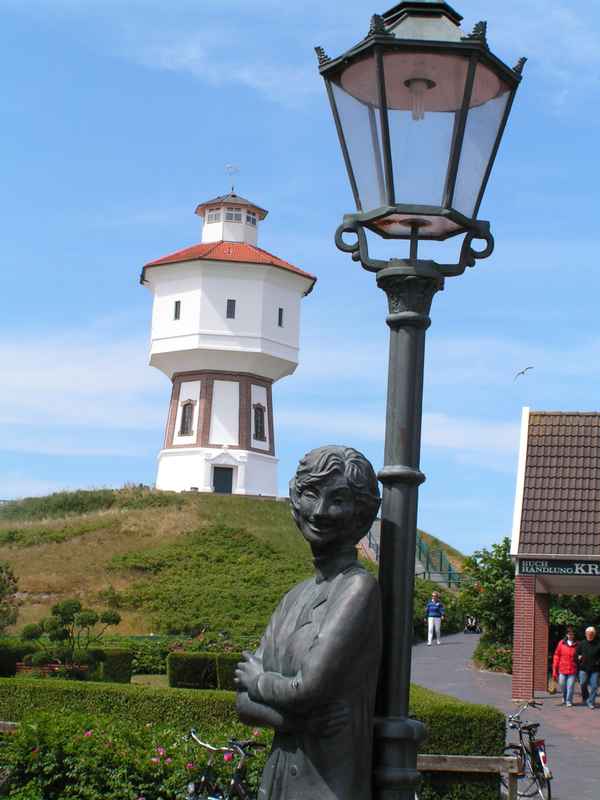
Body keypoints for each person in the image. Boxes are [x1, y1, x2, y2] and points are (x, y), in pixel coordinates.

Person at [234, 445, 382, 800]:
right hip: (279, 782)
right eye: (311, 494)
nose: (319, 511)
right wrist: (299, 722)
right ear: (294, 501)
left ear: (361, 514)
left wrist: (260, 680)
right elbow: (243, 703)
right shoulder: (294, 597)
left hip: (328, 787)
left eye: (338, 500)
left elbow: (307, 689)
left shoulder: (357, 588)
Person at [552, 625, 578, 707]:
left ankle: (568, 701)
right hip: (562, 669)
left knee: (570, 686)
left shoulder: (577, 644)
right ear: (567, 635)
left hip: (572, 669)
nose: (571, 635)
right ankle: (564, 696)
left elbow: (580, 655)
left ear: (574, 635)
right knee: (562, 684)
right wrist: (555, 668)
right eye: (569, 634)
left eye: (572, 634)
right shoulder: (561, 643)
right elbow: (556, 655)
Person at [576, 626, 600, 709]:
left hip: (595, 669)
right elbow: (576, 654)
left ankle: (590, 701)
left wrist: (598, 662)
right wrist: (578, 657)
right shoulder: (581, 644)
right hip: (583, 669)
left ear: (594, 634)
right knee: (583, 684)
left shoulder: (598, 644)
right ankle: (586, 698)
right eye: (588, 634)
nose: (590, 635)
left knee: (594, 686)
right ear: (586, 634)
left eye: (591, 634)